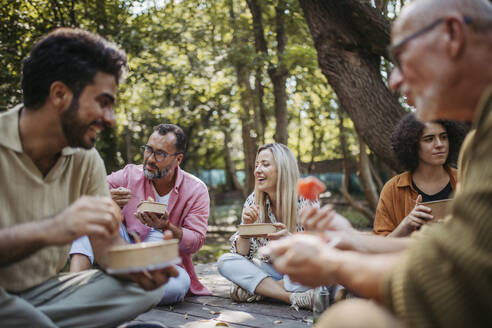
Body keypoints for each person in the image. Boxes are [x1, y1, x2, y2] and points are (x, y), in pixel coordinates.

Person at [265, 0, 492, 326]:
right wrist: (352, 239)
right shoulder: (475, 142)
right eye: (429, 139)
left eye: (401, 58)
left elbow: (463, 281)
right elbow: (454, 245)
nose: (395, 81)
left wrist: (332, 264)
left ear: (453, 36)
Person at [0, 28, 179, 328]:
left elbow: (107, 249)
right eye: (103, 102)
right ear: (59, 94)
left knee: (144, 289)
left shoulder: (85, 159)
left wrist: (139, 267)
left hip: (45, 293)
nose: (110, 118)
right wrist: (54, 228)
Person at [70, 123, 211, 304]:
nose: (150, 159)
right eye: (148, 150)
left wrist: (166, 227)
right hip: (127, 248)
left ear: (178, 159)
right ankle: (73, 287)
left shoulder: (196, 190)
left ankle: (112, 287)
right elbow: (85, 197)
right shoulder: (130, 174)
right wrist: (106, 198)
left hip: (166, 261)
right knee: (91, 215)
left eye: (160, 153)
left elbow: (196, 242)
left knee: (176, 288)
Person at [217, 143, 318, 310]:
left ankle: (259, 289)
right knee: (225, 262)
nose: (257, 170)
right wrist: (246, 230)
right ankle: (290, 298)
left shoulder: (305, 199)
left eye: (265, 164)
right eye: (256, 165)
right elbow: (241, 255)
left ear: (283, 168)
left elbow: (318, 249)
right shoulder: (253, 201)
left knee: (322, 275)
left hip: (302, 269)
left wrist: (290, 241)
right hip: (272, 269)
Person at [373, 114, 467, 237]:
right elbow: (379, 246)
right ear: (412, 146)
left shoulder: (465, 181)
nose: (439, 144)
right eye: (429, 139)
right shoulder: (393, 189)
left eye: (444, 137)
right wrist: (405, 225)